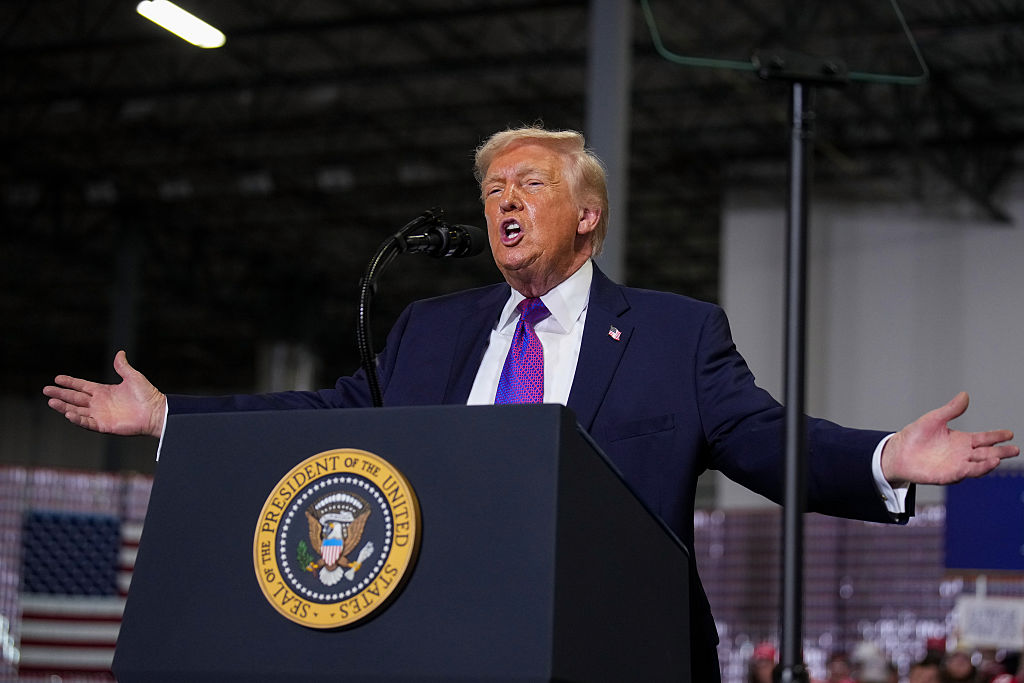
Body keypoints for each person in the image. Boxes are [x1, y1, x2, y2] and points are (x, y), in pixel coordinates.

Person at [43, 126, 1019, 682]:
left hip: (613, 648)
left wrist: (887, 457)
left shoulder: (673, 335)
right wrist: (169, 418)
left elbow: (764, 440)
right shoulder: (430, 330)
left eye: (529, 183)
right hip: (435, 637)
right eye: (491, 189)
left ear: (587, 214)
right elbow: (331, 414)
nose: (502, 200)